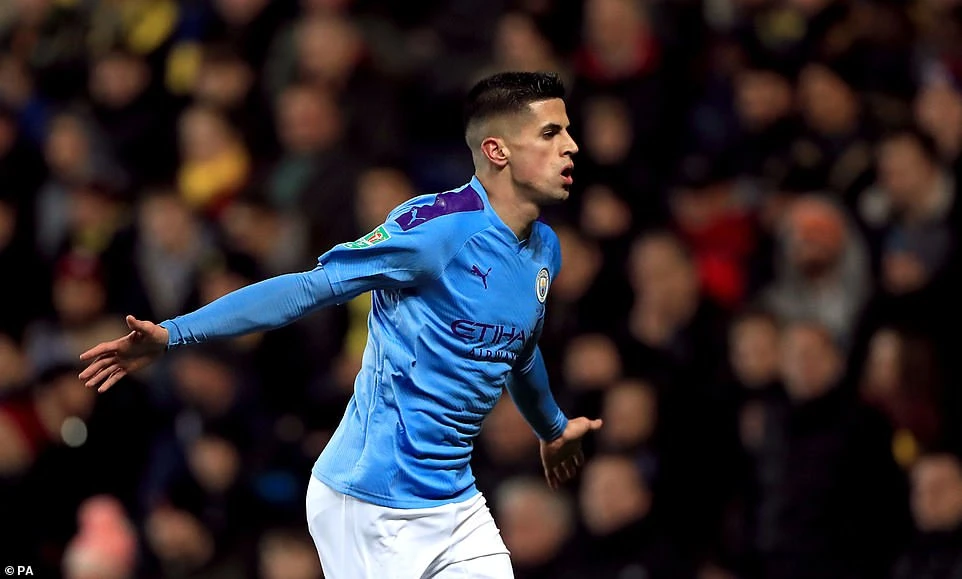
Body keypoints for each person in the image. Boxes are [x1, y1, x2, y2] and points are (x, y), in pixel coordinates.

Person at [78, 71, 602, 578]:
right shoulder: (434, 231)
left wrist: (553, 428)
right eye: (551, 133)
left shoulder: (544, 250)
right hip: (370, 500)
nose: (571, 146)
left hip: (454, 500)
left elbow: (519, 350)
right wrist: (175, 333)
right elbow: (307, 289)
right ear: (497, 150)